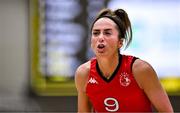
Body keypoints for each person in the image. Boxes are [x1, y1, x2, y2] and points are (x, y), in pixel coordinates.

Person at [75, 8, 173, 112]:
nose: (100, 37)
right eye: (96, 33)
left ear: (120, 42)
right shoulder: (83, 73)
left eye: (107, 33)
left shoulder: (140, 70)